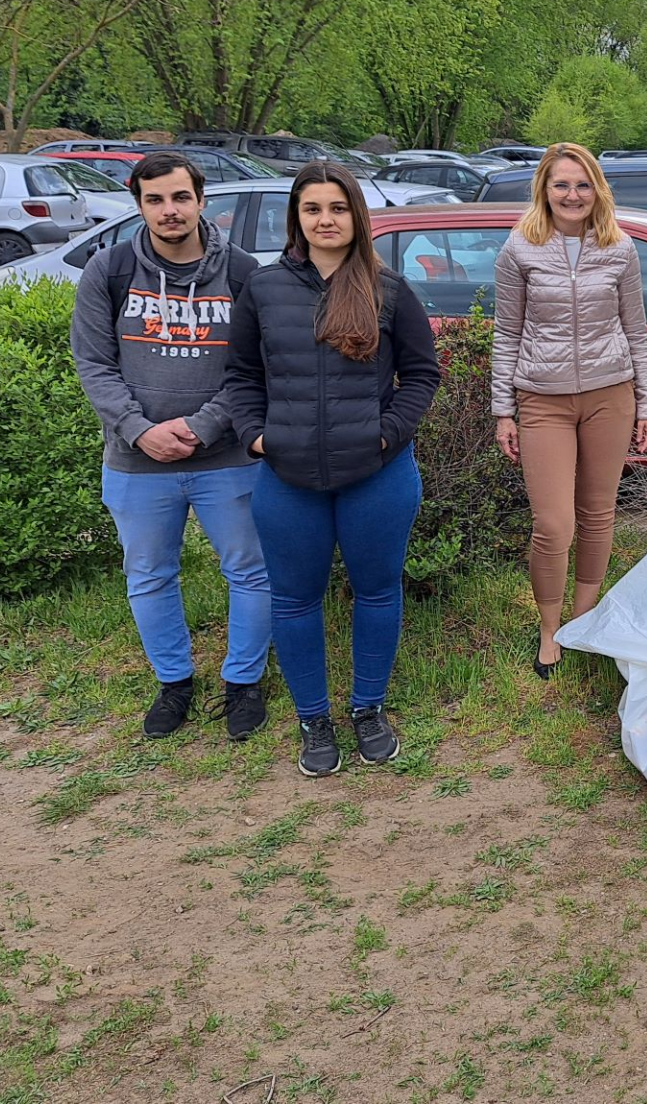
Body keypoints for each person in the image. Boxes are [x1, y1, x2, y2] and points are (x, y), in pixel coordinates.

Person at [225, 163, 440, 777]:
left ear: (357, 216)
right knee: (294, 600)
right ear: (295, 216)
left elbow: (422, 375)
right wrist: (257, 437)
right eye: (313, 208)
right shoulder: (265, 288)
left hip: (377, 474)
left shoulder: (389, 288)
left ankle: (368, 707)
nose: (326, 220)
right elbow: (241, 376)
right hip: (287, 479)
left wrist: (387, 431)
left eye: (338, 208)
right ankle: (313, 719)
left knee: (377, 591)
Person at [71, 151, 271, 741]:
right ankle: (174, 682)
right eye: (154, 199)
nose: (169, 210)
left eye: (180, 197)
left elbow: (255, 367)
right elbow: (94, 364)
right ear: (139, 204)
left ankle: (243, 683)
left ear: (202, 200)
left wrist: (205, 427)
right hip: (136, 460)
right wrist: (140, 430)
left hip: (227, 457)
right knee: (150, 574)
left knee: (250, 571)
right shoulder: (106, 271)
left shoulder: (241, 272)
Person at [490, 142, 647, 679]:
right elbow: (506, 333)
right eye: (562, 184)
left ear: (597, 190)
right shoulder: (520, 248)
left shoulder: (620, 248)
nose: (572, 194)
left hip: (612, 394)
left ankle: (583, 620)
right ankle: (548, 628)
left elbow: (636, 329)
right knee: (553, 525)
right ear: (544, 188)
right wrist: (503, 410)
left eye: (583, 184)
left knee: (598, 515)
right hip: (542, 399)